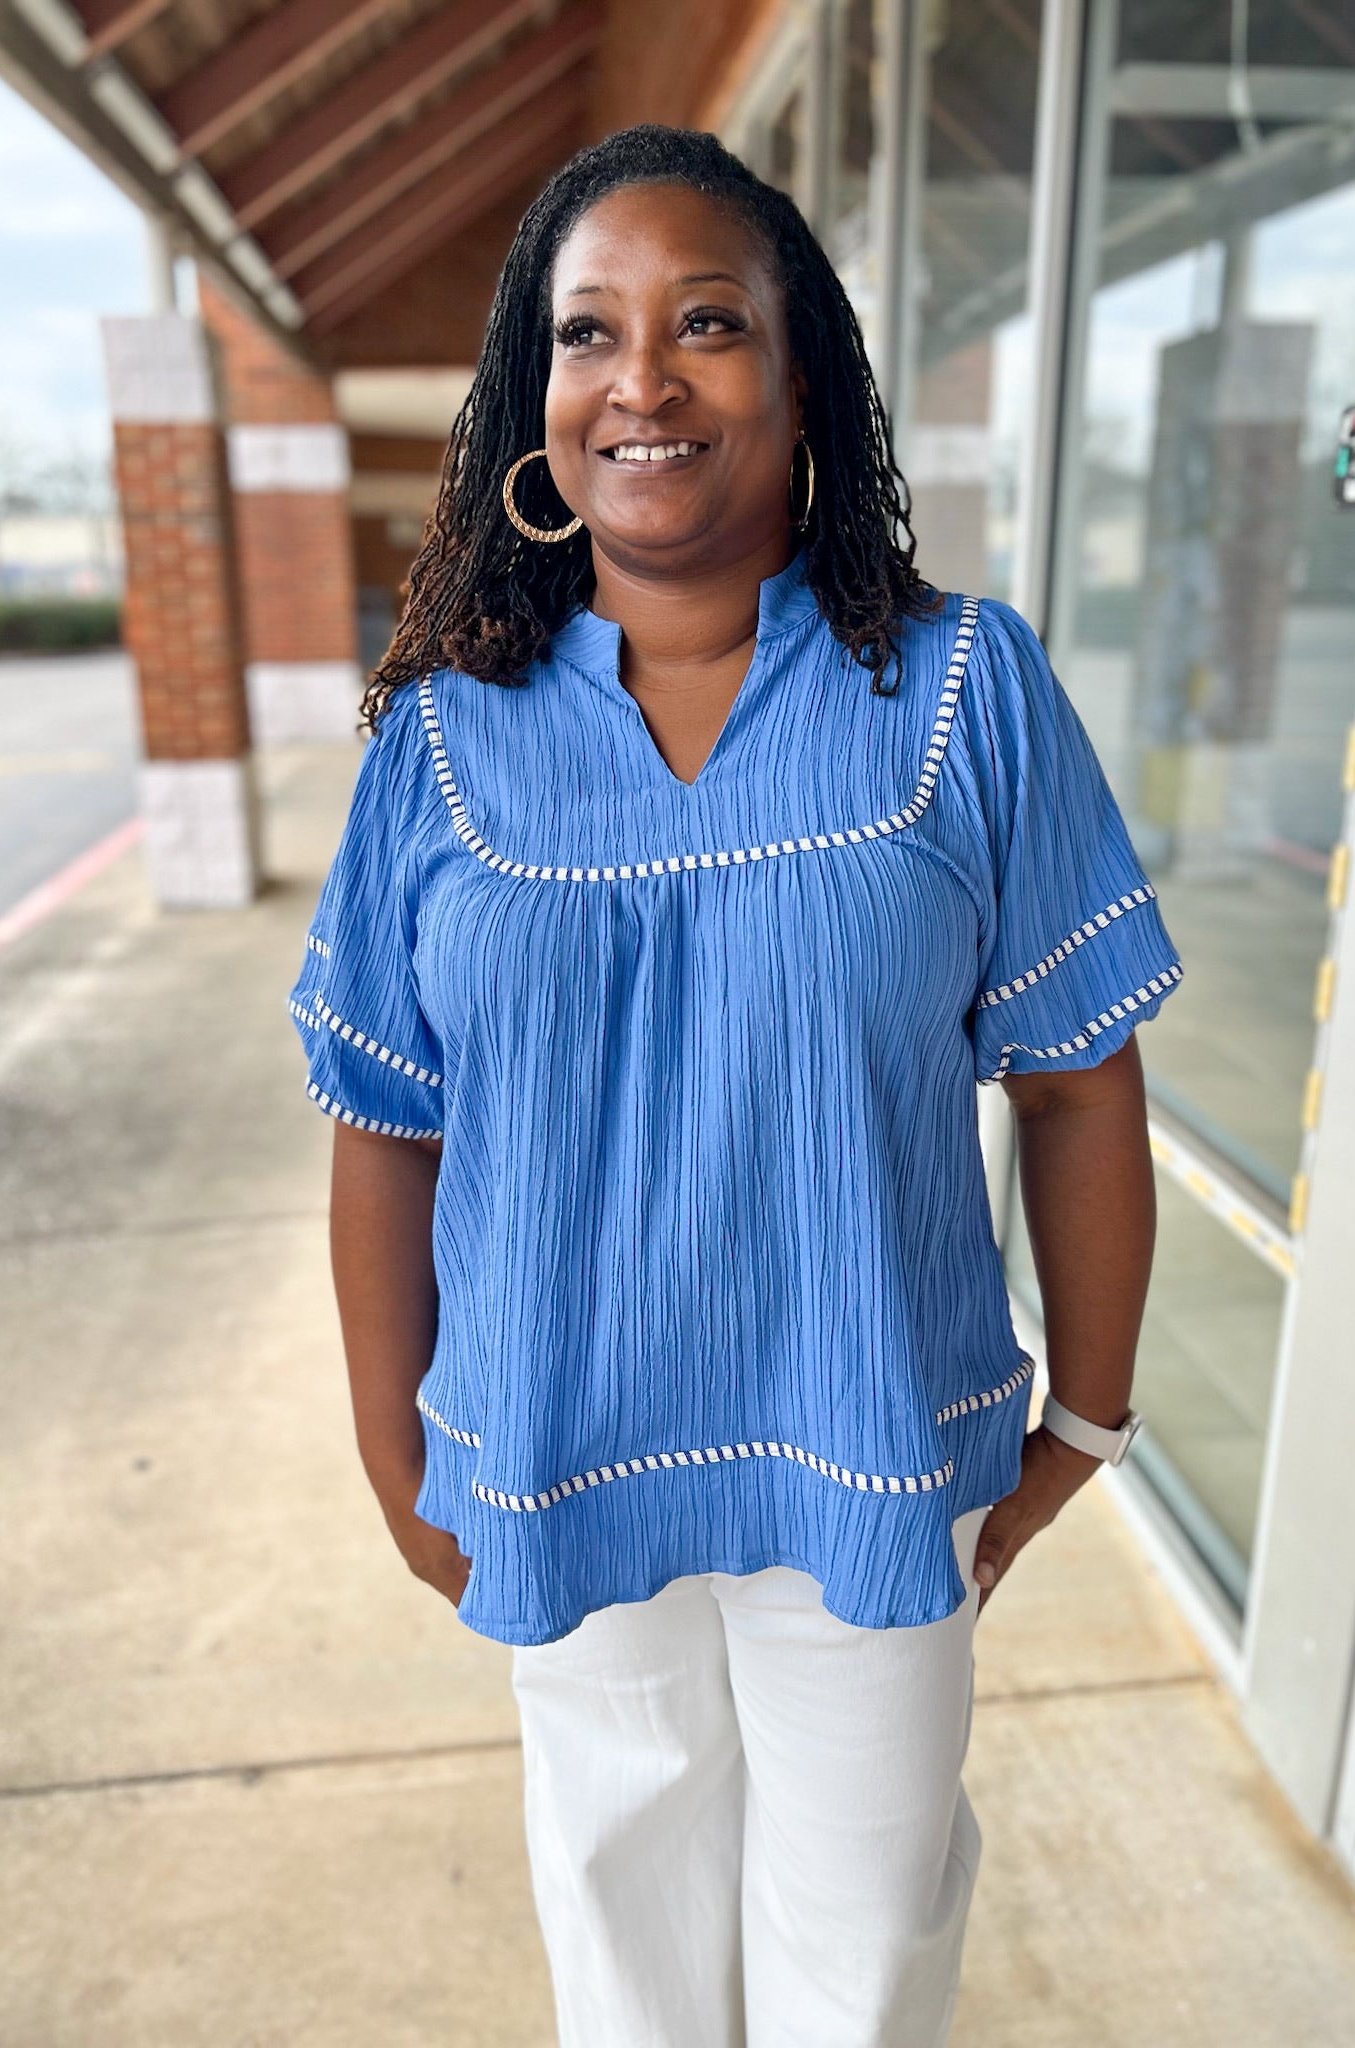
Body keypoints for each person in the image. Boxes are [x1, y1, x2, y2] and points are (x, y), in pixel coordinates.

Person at [287, 124, 1183, 2048]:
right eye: (588, 331)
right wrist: (394, 1448)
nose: (645, 377)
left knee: (858, 1960)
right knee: (624, 1948)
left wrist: (1086, 1424)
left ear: (802, 383)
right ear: (537, 403)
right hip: (554, 1452)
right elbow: (384, 1121)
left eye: (709, 323)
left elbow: (1081, 1086)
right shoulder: (442, 744)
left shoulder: (958, 693)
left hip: (869, 1449)